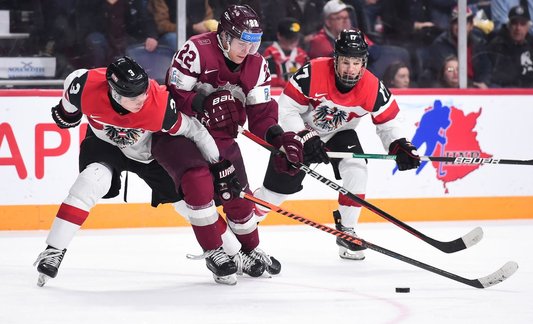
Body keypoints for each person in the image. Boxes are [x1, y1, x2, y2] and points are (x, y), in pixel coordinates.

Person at [33, 56, 240, 287]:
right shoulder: (83, 86)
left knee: (188, 203)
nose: (142, 98)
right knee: (91, 180)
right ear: (115, 93)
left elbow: (195, 130)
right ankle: (53, 251)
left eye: (143, 91)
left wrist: (218, 162)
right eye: (134, 96)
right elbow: (68, 110)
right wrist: (66, 115)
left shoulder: (158, 104)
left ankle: (233, 250)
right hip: (105, 146)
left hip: (147, 154)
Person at [151, 4, 304, 285]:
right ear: (223, 36)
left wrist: (278, 138)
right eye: (242, 43)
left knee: (239, 197)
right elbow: (172, 96)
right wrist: (202, 102)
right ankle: (215, 251)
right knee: (199, 184)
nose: (248, 50)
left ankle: (249, 250)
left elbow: (261, 115)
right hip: (181, 134)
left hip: (221, 138)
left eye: (254, 43)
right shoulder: (196, 50)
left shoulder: (257, 64)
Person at [253, 29, 420, 261]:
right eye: (345, 62)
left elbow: (390, 122)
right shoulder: (312, 72)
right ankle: (245, 227)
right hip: (299, 134)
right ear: (335, 59)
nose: (350, 69)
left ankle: (346, 231)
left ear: (364, 63)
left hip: (339, 134)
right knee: (275, 195)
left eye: (356, 63)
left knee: (357, 168)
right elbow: (287, 108)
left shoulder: (372, 87)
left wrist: (400, 145)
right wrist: (303, 135)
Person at [486, 5, 533, 87]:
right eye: (514, 23)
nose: (518, 28)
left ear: (528, 26)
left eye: (522, 24)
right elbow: (502, 76)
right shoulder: (498, 45)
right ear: (508, 25)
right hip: (515, 94)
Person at [422, 5, 490, 88]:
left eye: (464, 23)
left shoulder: (479, 43)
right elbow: (449, 74)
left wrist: (484, 83)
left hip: (476, 87)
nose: (459, 27)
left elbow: (486, 69)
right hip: (451, 89)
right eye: (456, 23)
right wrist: (473, 86)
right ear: (451, 25)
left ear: (471, 26)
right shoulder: (440, 44)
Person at [263, 17, 310, 88]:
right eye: (289, 37)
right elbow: (271, 81)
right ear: (279, 36)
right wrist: (294, 87)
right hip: (278, 94)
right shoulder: (270, 53)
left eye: (295, 37)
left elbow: (310, 79)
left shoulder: (302, 54)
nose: (293, 41)